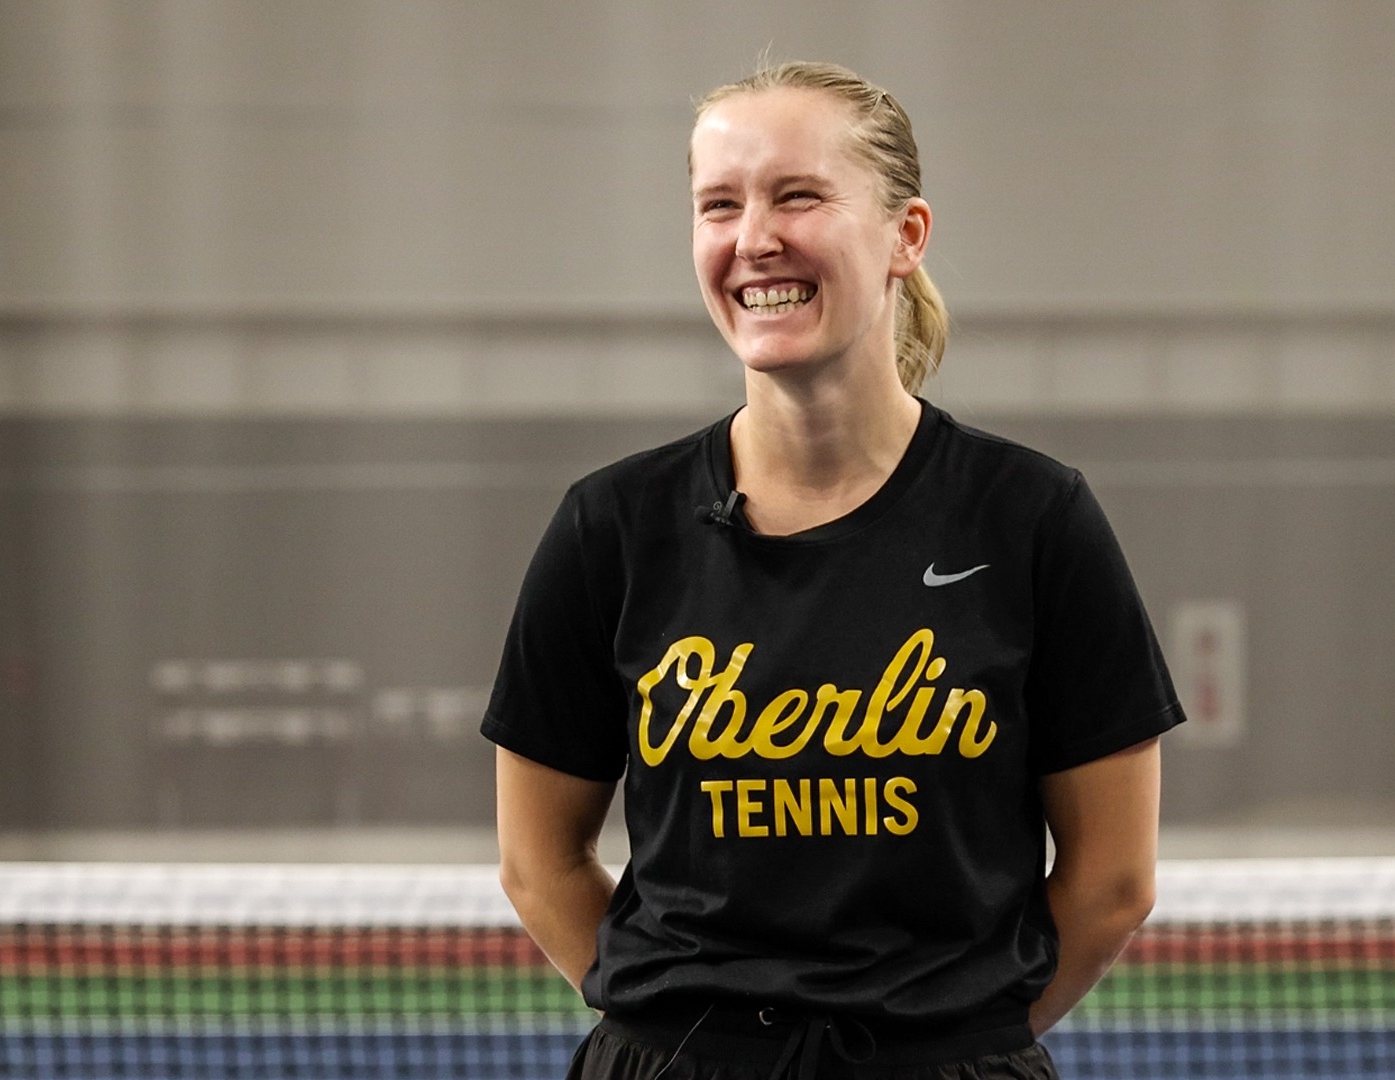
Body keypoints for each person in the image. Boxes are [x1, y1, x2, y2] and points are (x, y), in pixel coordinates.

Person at [484, 60, 1184, 1080]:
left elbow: (1114, 882)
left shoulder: (1033, 518)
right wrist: (682, 1037)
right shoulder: (613, 526)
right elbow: (536, 861)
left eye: (798, 195)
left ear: (907, 236)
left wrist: (950, 1041)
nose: (753, 237)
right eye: (718, 205)